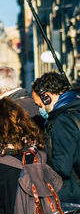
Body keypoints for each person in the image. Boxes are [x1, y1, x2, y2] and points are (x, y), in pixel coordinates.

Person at [31, 72, 80, 203]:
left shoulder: (62, 121)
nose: (39, 110)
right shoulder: (76, 109)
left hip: (72, 195)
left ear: (47, 97)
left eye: (39, 105)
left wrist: (40, 160)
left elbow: (62, 167)